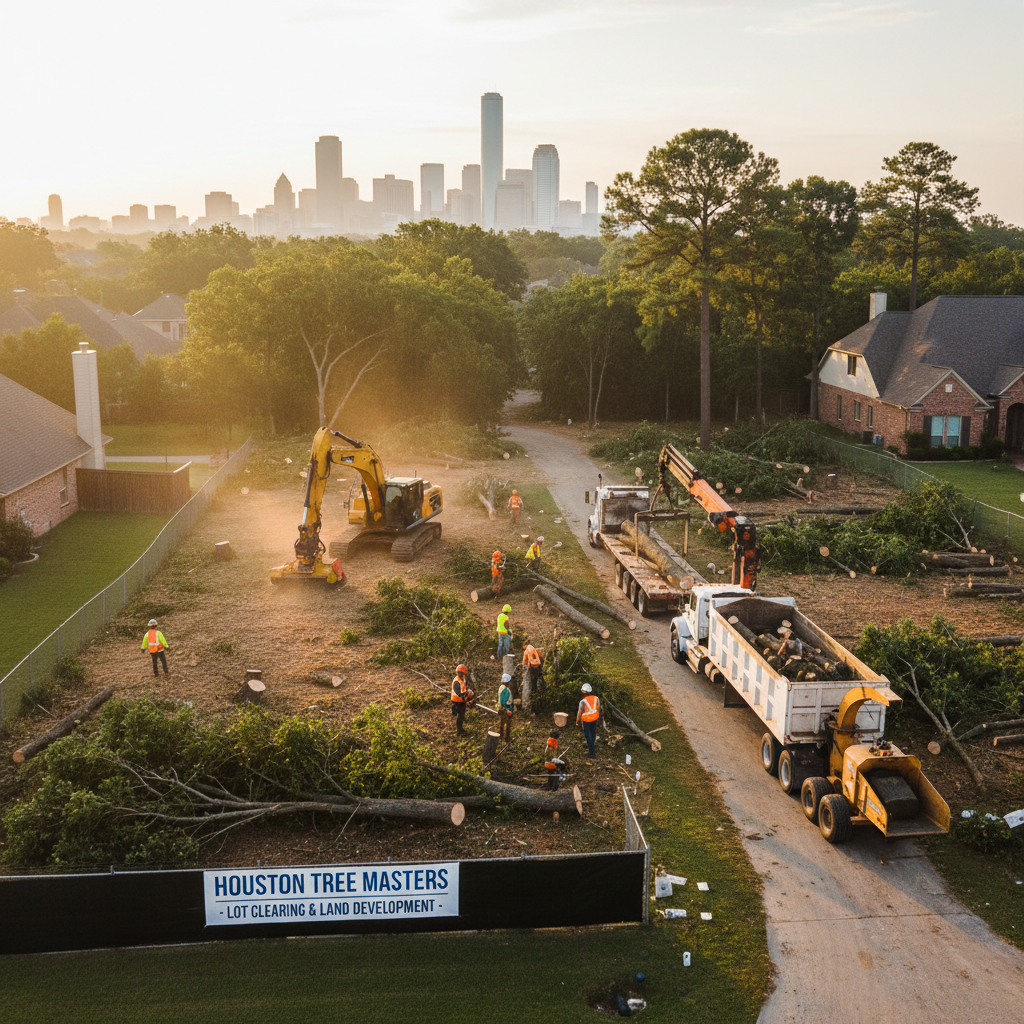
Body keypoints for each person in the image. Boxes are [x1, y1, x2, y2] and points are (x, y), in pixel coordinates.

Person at [577, 682, 601, 758]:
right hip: (594, 719)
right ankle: (592, 748)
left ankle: (591, 752)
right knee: (593, 734)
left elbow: (579, 712)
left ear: (583, 692)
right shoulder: (596, 698)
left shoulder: (582, 701)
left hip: (586, 721)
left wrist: (577, 721)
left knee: (588, 735)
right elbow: (598, 708)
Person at [451, 664, 474, 736]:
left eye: (463, 674)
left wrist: (469, 694)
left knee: (462, 713)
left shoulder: (463, 679)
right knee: (460, 715)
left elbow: (465, 688)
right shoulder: (456, 681)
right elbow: (459, 693)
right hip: (457, 700)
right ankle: (459, 730)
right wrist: (466, 700)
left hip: (462, 700)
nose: (462, 675)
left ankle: (455, 710)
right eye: (460, 673)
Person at [497, 673, 514, 741]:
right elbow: (504, 701)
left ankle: (501, 735)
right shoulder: (506, 690)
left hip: (501, 708)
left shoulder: (501, 688)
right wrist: (508, 709)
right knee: (508, 724)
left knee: (502, 722)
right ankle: (507, 738)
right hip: (506, 709)